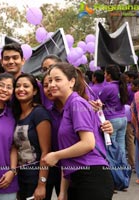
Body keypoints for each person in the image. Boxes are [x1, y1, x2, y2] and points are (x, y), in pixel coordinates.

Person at [42, 63, 114, 200]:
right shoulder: (67, 107)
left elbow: (88, 143)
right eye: (50, 80)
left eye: (57, 79)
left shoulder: (77, 103)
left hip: (92, 177)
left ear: (71, 82)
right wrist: (63, 191)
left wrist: (55, 155)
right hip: (77, 177)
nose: (52, 84)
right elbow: (69, 155)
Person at [12, 74, 51, 200]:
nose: (21, 89)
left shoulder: (39, 113)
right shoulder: (17, 114)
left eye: (26, 86)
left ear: (34, 91)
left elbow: (46, 152)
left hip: (36, 178)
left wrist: (41, 184)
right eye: (17, 86)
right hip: (21, 177)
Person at [99, 65, 128, 157]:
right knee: (121, 146)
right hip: (123, 119)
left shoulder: (108, 87)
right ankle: (122, 167)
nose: (104, 75)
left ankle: (113, 169)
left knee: (111, 147)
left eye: (105, 73)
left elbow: (100, 101)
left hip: (112, 120)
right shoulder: (122, 86)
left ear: (109, 75)